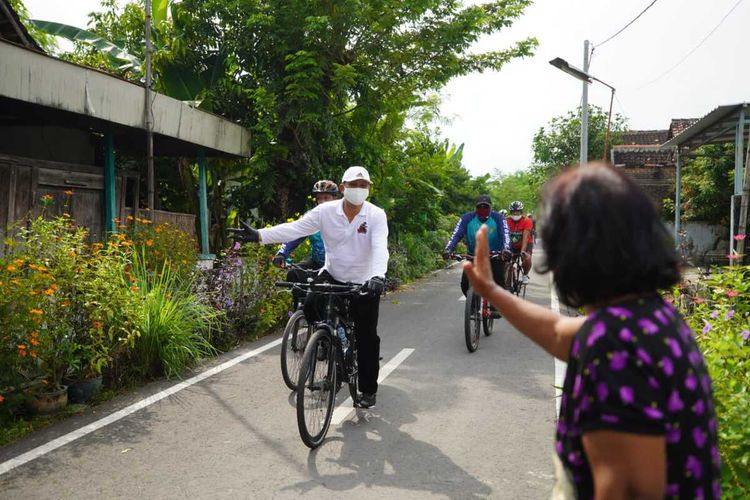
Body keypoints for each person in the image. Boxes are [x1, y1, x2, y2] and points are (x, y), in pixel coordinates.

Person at [463, 163, 720, 499]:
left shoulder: (613, 347)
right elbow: (559, 332)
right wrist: (491, 291)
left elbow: (627, 489)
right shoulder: (649, 320)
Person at [230, 166, 388, 409]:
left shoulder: (376, 215)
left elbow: (379, 248)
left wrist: (378, 276)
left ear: (368, 188)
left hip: (365, 280)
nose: (358, 189)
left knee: (367, 337)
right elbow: (295, 229)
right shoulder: (325, 212)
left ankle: (368, 390)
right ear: (343, 187)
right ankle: (327, 342)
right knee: (311, 305)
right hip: (332, 274)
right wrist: (260, 235)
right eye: (354, 185)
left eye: (363, 185)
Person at [272, 180, 339, 308]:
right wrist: (282, 253)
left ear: (335, 199)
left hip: (338, 265)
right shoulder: (312, 218)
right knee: (294, 273)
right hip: (317, 261)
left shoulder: (343, 217)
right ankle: (299, 309)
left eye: (326, 198)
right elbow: (295, 235)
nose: (322, 201)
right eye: (319, 198)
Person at [442, 195, 510, 297]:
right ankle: (473, 304)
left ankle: (496, 309)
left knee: (499, 282)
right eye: (479, 207)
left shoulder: (498, 218)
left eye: (486, 207)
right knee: (465, 285)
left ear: (490, 207)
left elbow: (505, 234)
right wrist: (448, 249)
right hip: (473, 256)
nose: (483, 210)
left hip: (495, 256)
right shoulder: (467, 218)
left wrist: (507, 249)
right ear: (475, 208)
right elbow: (456, 234)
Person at [506, 201, 534, 284]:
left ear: (521, 212)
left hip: (526, 243)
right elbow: (504, 236)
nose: (515, 214)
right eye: (513, 212)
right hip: (512, 245)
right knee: (505, 261)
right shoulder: (506, 221)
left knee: (527, 258)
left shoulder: (527, 220)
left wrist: (522, 251)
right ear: (510, 212)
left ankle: (525, 275)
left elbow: (525, 237)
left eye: (517, 212)